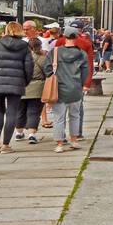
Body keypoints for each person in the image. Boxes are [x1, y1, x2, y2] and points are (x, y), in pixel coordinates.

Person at [0, 22, 34, 153]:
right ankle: (6, 145)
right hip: (16, 83)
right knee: (12, 112)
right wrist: (25, 81)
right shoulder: (25, 47)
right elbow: (29, 67)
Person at [43, 24, 88, 152]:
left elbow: (47, 68)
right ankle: (74, 140)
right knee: (75, 115)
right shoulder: (81, 54)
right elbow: (85, 72)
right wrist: (81, 83)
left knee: (59, 118)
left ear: (64, 36)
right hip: (75, 89)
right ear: (77, 37)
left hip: (59, 89)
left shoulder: (55, 51)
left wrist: (53, 76)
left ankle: (59, 144)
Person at [18, 37, 47, 143]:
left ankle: (19, 133)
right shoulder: (43, 58)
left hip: (22, 87)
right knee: (34, 112)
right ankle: (32, 134)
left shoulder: (21, 58)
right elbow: (48, 73)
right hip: (37, 88)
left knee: (20, 111)